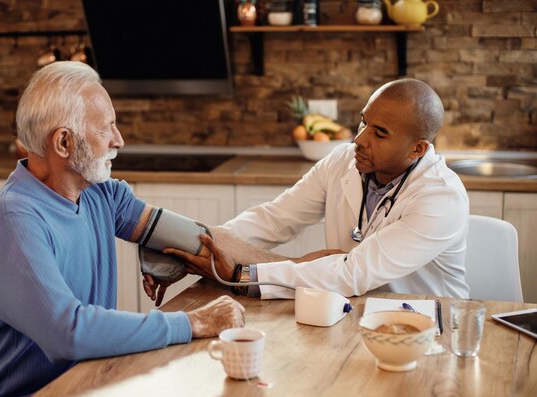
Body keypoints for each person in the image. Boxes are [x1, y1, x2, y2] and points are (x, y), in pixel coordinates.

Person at [0, 61, 245, 397]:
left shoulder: (102, 195)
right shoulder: (14, 218)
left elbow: (198, 239)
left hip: (89, 389)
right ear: (64, 142)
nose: (119, 140)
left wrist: (292, 270)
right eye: (107, 128)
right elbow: (69, 332)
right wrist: (194, 322)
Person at [146, 78, 470, 303]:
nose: (360, 139)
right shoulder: (343, 161)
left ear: (417, 149)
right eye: (363, 123)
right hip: (348, 312)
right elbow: (274, 219)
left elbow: (350, 273)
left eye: (380, 133)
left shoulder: (441, 198)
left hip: (428, 327)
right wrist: (200, 250)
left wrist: (243, 275)